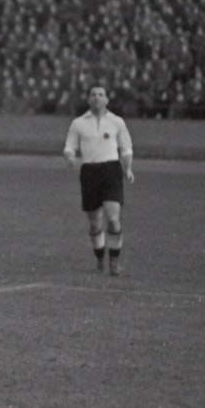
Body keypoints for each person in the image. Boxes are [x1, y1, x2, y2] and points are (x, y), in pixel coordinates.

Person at [63, 84, 135, 276]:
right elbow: (69, 148)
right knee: (95, 223)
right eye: (93, 94)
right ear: (88, 99)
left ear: (106, 99)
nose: (97, 97)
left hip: (111, 170)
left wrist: (127, 169)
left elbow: (126, 149)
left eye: (100, 94)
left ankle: (114, 262)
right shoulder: (78, 123)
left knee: (113, 218)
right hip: (89, 172)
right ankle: (99, 259)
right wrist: (71, 159)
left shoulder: (117, 122)